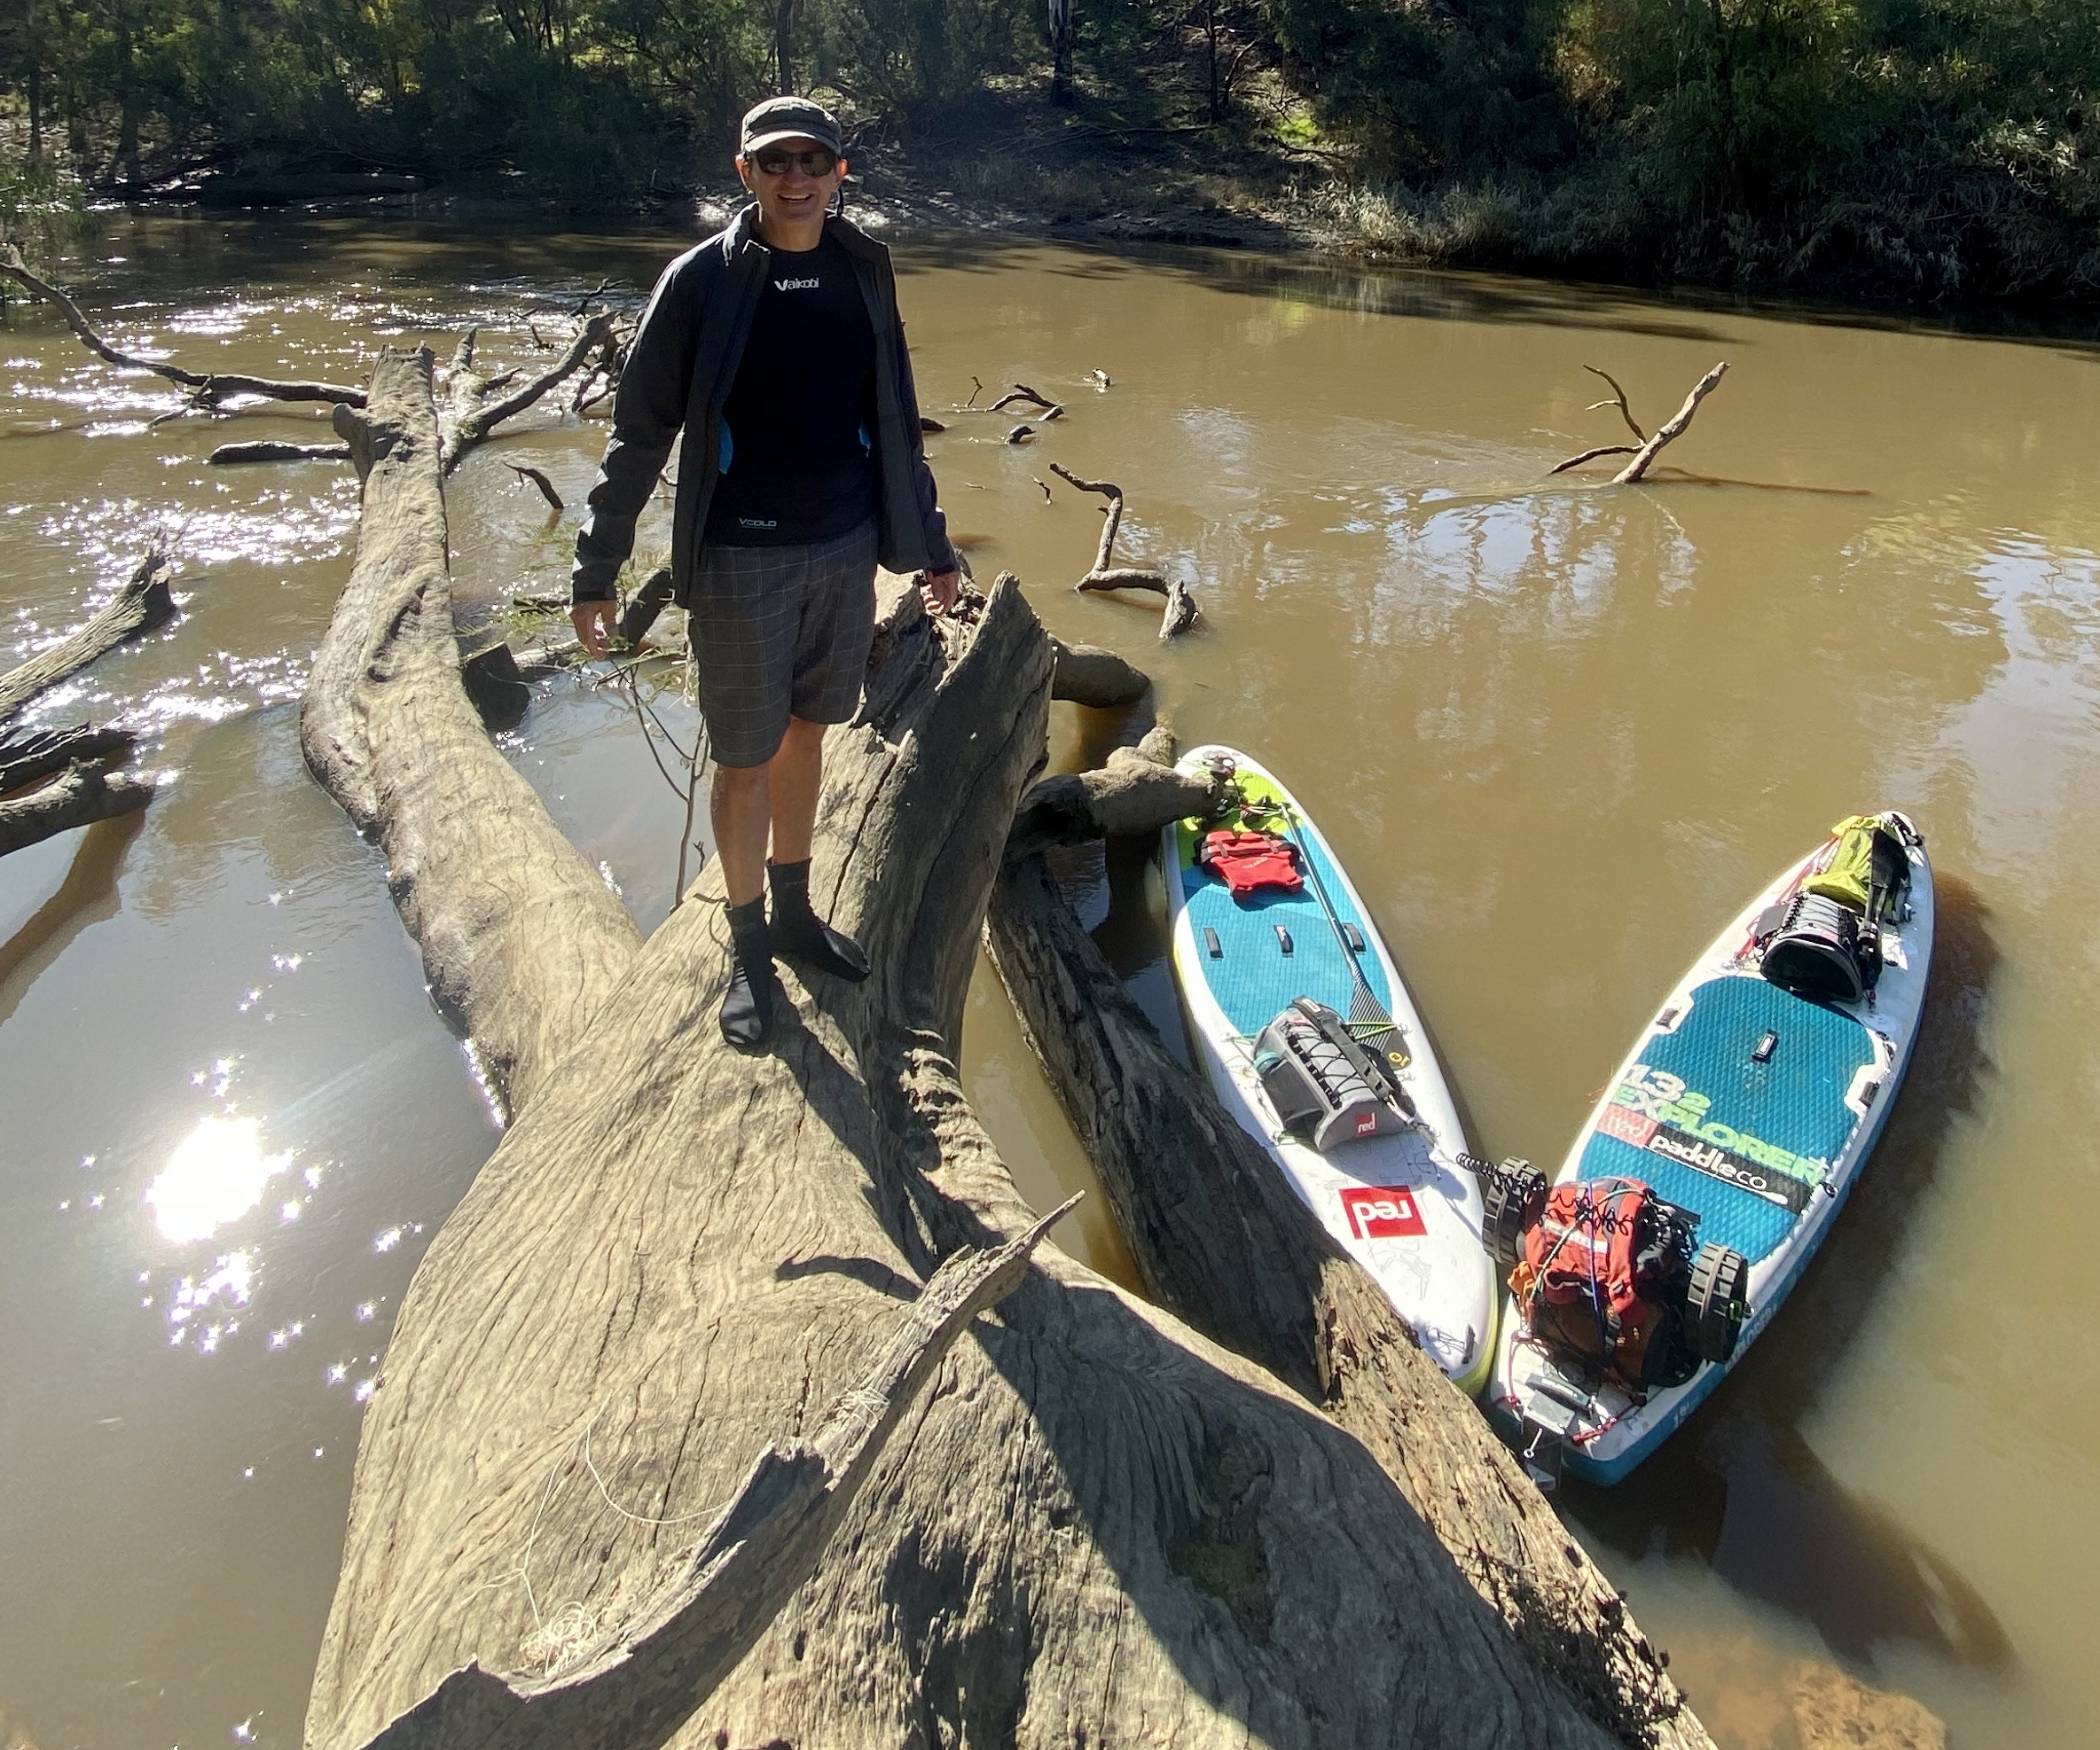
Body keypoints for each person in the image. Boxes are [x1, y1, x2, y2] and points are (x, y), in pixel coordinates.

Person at [570, 96, 959, 1050]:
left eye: (812, 161)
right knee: (741, 759)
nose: (795, 177)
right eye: (775, 161)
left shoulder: (864, 268)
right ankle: (745, 948)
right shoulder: (701, 281)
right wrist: (597, 566)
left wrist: (934, 541)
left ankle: (793, 911)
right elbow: (638, 433)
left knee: (808, 735)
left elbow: (897, 413)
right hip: (741, 555)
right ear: (745, 174)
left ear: (840, 174)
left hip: (843, 548)